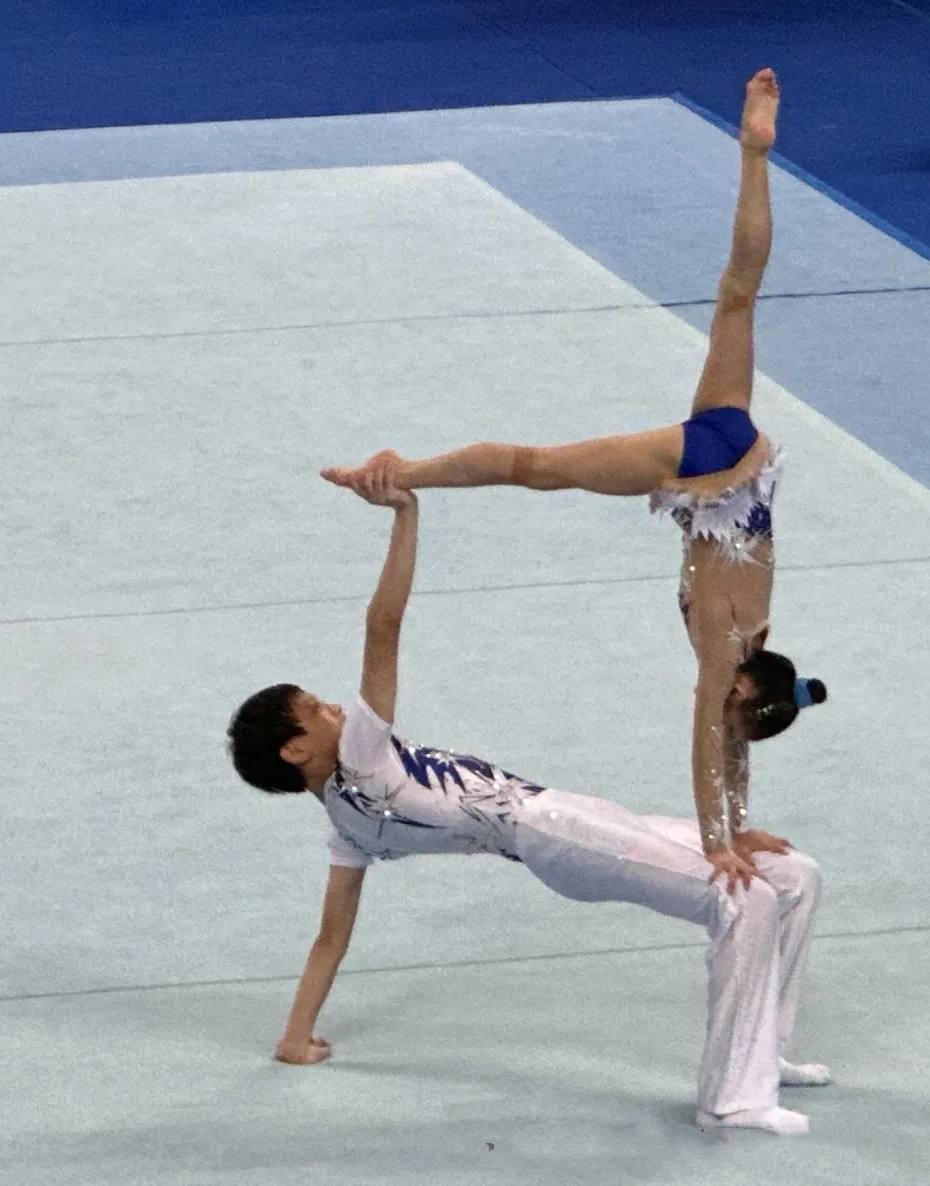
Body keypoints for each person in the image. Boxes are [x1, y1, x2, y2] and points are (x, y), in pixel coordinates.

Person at [319, 68, 826, 890]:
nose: (721, 709)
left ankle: (753, 153)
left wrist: (742, 822)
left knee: (738, 296)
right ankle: (398, 471)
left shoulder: (757, 647)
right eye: (732, 703)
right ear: (743, 685)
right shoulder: (723, 643)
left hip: (743, 448)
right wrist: (715, 841)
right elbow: (709, 738)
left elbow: (733, 735)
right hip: (698, 470)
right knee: (536, 467)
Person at [227, 479, 830, 1135]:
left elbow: (329, 941)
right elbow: (384, 625)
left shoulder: (347, 830)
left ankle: (762, 1055)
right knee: (742, 899)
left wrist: (295, 1038)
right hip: (552, 831)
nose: (333, 707)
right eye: (314, 710)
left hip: (562, 821)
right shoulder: (362, 759)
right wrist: (406, 514)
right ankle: (730, 1100)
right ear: (295, 750)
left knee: (792, 876)